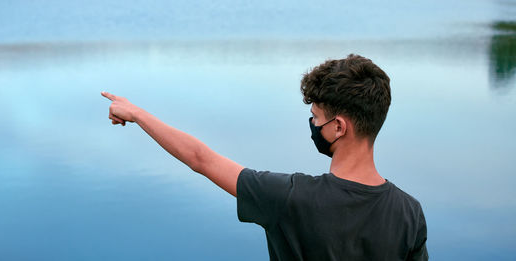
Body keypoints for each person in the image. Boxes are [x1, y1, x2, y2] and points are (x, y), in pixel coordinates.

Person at [101, 54, 428, 261]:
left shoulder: (289, 197)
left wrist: (136, 113)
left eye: (316, 117)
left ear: (338, 127)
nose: (313, 125)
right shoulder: (409, 212)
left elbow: (200, 159)